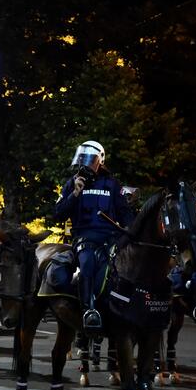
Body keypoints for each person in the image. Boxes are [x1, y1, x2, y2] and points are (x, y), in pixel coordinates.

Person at [54, 140, 134, 330]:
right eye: (82, 160)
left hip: (111, 239)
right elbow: (57, 214)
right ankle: (88, 311)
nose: (84, 164)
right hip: (85, 238)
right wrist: (74, 193)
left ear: (100, 160)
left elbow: (126, 215)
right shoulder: (72, 183)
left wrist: (130, 234)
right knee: (88, 263)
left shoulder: (113, 185)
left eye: (89, 160)